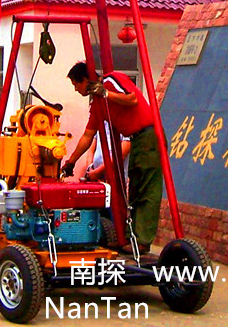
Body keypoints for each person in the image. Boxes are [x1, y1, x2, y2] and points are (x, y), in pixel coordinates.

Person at [61, 61, 162, 254]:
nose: (76, 89)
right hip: (137, 140)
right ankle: (129, 238)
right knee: (134, 191)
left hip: (147, 135)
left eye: (76, 84)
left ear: (85, 80)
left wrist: (105, 93)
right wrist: (71, 162)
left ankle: (142, 241)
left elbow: (132, 99)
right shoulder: (97, 105)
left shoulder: (112, 80)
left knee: (147, 190)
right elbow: (87, 136)